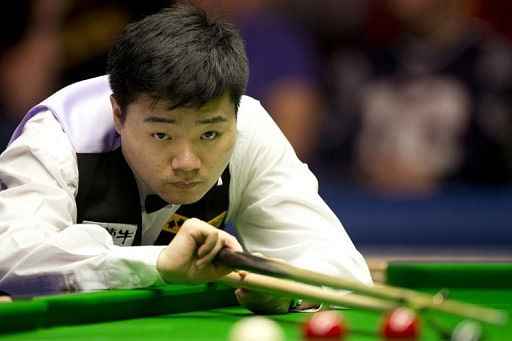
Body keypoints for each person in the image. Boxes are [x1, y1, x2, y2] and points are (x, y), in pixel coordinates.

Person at [0, 4, 372, 313]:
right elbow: (13, 256)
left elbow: (344, 273)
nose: (187, 161)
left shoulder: (250, 129)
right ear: (118, 114)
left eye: (209, 134)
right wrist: (158, 264)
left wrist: (288, 291)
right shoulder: (58, 137)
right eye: (162, 134)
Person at [315, 0, 512, 194]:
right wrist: (364, 174)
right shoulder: (358, 65)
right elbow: (329, 151)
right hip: (367, 212)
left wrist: (441, 180)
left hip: (471, 215)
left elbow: (496, 157)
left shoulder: (493, 66)